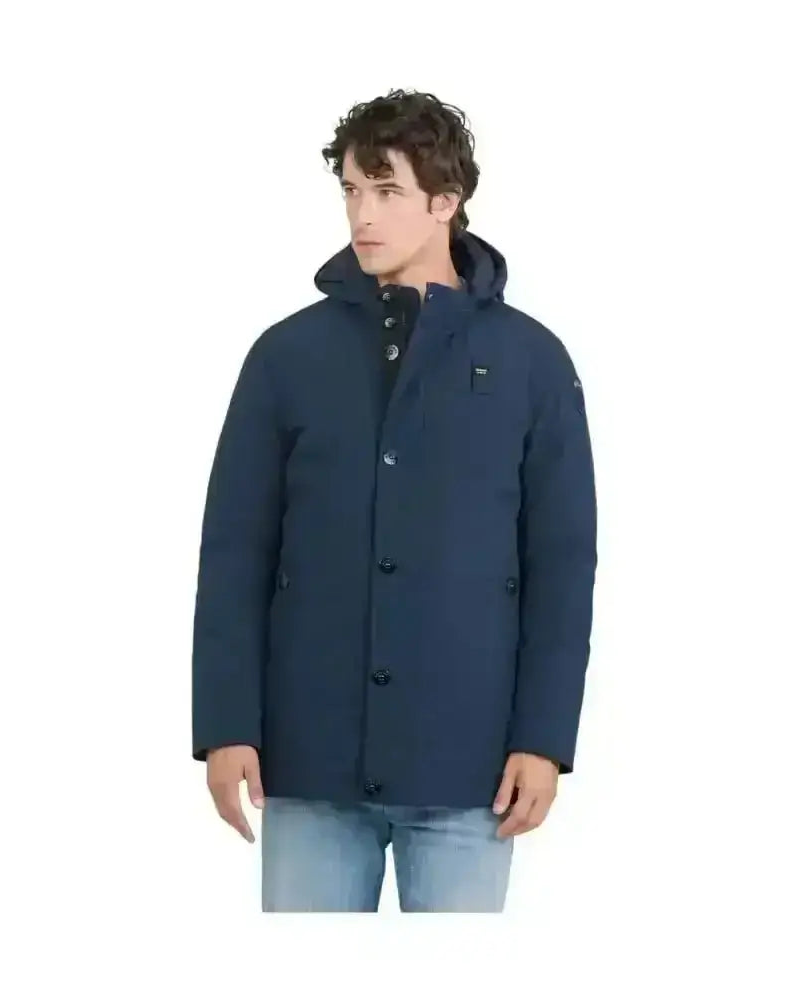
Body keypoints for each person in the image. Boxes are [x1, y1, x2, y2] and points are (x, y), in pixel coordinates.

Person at [191, 89, 598, 912]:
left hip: (470, 764)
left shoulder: (532, 362)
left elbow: (561, 565)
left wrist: (544, 740)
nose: (362, 215)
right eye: (351, 190)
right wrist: (227, 723)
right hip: (308, 756)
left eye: (386, 190)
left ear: (446, 201)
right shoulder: (287, 356)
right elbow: (235, 551)